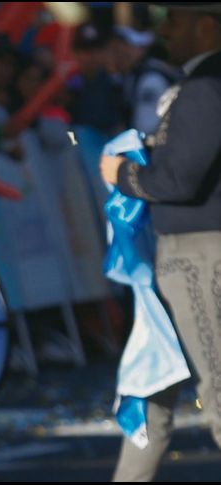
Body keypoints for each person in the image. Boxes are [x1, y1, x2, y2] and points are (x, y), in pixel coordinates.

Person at [99, 4, 221, 481]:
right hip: (180, 254)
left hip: (199, 255)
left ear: (206, 25)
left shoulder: (206, 85)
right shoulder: (199, 83)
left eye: (174, 19)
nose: (164, 30)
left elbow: (178, 180)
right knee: (151, 379)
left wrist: (122, 172)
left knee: (215, 385)